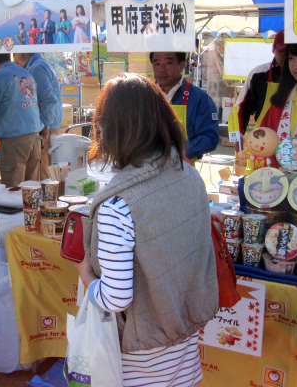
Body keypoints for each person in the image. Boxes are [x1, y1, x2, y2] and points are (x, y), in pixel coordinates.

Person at [76, 73, 218, 387]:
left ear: (109, 129)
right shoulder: (188, 177)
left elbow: (115, 297)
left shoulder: (118, 205)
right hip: (184, 352)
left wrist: (85, 275)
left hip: (139, 361)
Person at [0, 53, 42, 187]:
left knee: (13, 190)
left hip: (14, 140)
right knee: (32, 191)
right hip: (35, 137)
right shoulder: (25, 73)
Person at [150, 51, 219, 163]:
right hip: (146, 169)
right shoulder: (144, 97)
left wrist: (176, 151)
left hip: (182, 170)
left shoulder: (200, 99)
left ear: (181, 65)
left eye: (168, 63)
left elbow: (210, 138)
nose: (162, 69)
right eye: (157, 64)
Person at [13, 53, 63, 180]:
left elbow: (49, 99)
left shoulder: (36, 68)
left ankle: (48, 199)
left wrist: (45, 125)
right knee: (48, 173)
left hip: (48, 126)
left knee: (44, 175)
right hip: (50, 124)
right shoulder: (39, 64)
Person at [235, 30, 286, 133]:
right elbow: (241, 108)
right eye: (282, 51)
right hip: (263, 141)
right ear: (273, 49)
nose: (286, 56)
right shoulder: (259, 74)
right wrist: (237, 135)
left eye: (290, 52)